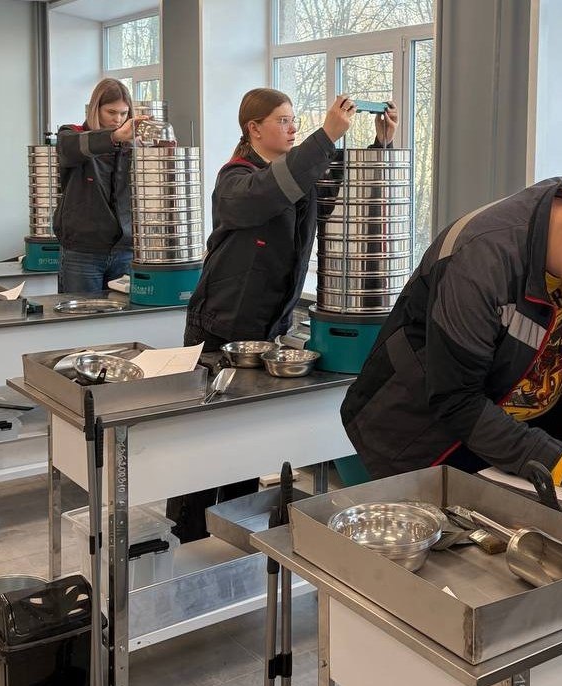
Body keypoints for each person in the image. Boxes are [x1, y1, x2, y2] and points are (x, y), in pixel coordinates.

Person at [340, 178, 562, 491]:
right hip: (426, 436)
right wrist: (558, 462)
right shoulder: (478, 263)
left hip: (514, 435)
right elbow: (457, 400)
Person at [168, 88, 399, 542]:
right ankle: (186, 541)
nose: (292, 128)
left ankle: (228, 542)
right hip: (218, 331)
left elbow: (332, 195)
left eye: (295, 120)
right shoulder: (235, 180)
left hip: (266, 333)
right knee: (203, 451)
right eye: (282, 120)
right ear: (253, 128)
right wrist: (326, 136)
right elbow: (269, 193)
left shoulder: (295, 177)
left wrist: (380, 145)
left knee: (243, 448)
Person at [53, 78, 147, 294]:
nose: (118, 119)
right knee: (81, 313)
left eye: (123, 113)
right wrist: (114, 137)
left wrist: (159, 151)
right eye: (111, 112)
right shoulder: (71, 134)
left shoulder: (132, 147)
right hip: (82, 253)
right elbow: (70, 149)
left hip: (124, 250)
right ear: (96, 108)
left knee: (123, 315)